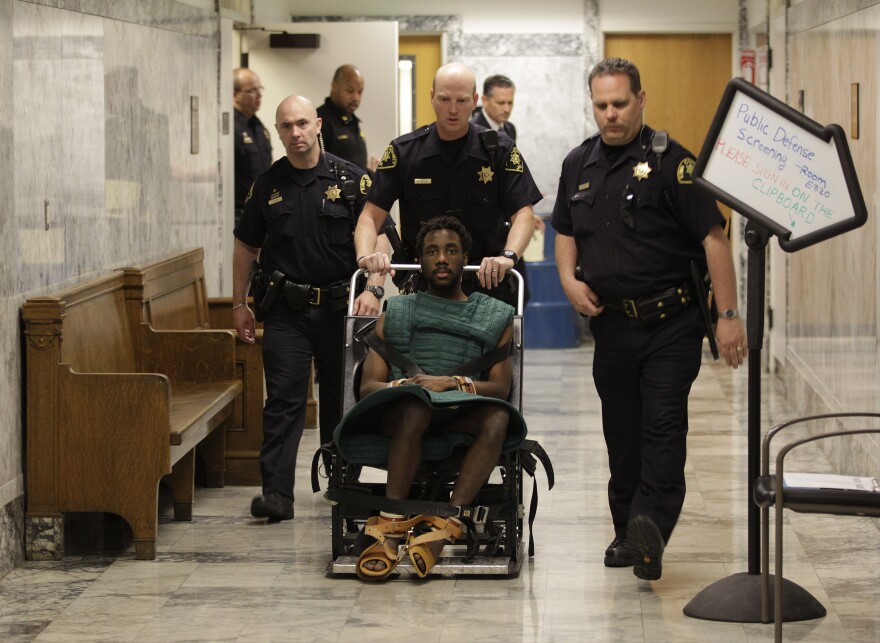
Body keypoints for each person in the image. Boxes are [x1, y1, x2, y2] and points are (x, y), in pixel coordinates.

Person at [552, 58, 748, 581]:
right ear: (591, 104)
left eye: (620, 103)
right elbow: (565, 230)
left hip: (670, 322)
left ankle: (650, 532)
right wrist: (569, 281)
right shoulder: (579, 164)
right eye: (601, 105)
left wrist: (728, 315)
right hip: (612, 326)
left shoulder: (673, 163)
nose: (611, 115)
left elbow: (713, 238)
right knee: (622, 434)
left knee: (662, 428)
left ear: (642, 99)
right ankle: (627, 532)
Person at [336, 215, 525, 580]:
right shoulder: (397, 310)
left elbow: (500, 390)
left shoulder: (494, 315)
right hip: (401, 414)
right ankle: (390, 529)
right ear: (420, 261)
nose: (442, 258)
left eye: (451, 250)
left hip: (460, 413)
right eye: (432, 251)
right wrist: (412, 388)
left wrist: (452, 383)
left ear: (465, 257)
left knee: (498, 418)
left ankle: (444, 525)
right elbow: (368, 388)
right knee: (415, 407)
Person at [232, 95, 387, 521]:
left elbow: (383, 237)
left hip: (342, 309)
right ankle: (277, 494)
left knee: (342, 400)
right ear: (278, 132)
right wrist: (238, 303)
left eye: (303, 123)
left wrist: (374, 288)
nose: (296, 133)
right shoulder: (266, 186)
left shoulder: (352, 179)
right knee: (283, 401)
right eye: (287, 126)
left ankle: (344, 482)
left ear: (318, 125)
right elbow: (246, 245)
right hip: (287, 310)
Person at [355, 62, 541, 308]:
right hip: (425, 290)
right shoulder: (404, 152)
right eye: (444, 99)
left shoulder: (499, 151)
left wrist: (508, 257)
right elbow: (370, 217)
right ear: (431, 98)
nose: (452, 109)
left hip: (487, 288)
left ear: (475, 100)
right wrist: (366, 256)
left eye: (462, 101)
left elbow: (523, 213)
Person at [316, 64, 378, 173]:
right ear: (334, 86)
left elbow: (355, 167)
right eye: (350, 91)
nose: (356, 98)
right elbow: (316, 167)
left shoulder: (352, 121)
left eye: (360, 92)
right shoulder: (320, 120)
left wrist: (371, 174)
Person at [233, 68, 273, 227]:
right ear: (235, 94)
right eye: (252, 90)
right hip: (238, 214)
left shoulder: (258, 126)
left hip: (261, 212)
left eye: (259, 89)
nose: (259, 94)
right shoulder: (229, 129)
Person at [471, 74, 517, 140]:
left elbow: (513, 150)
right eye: (501, 103)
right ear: (485, 101)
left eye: (510, 103)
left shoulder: (510, 129)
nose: (507, 110)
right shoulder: (471, 132)